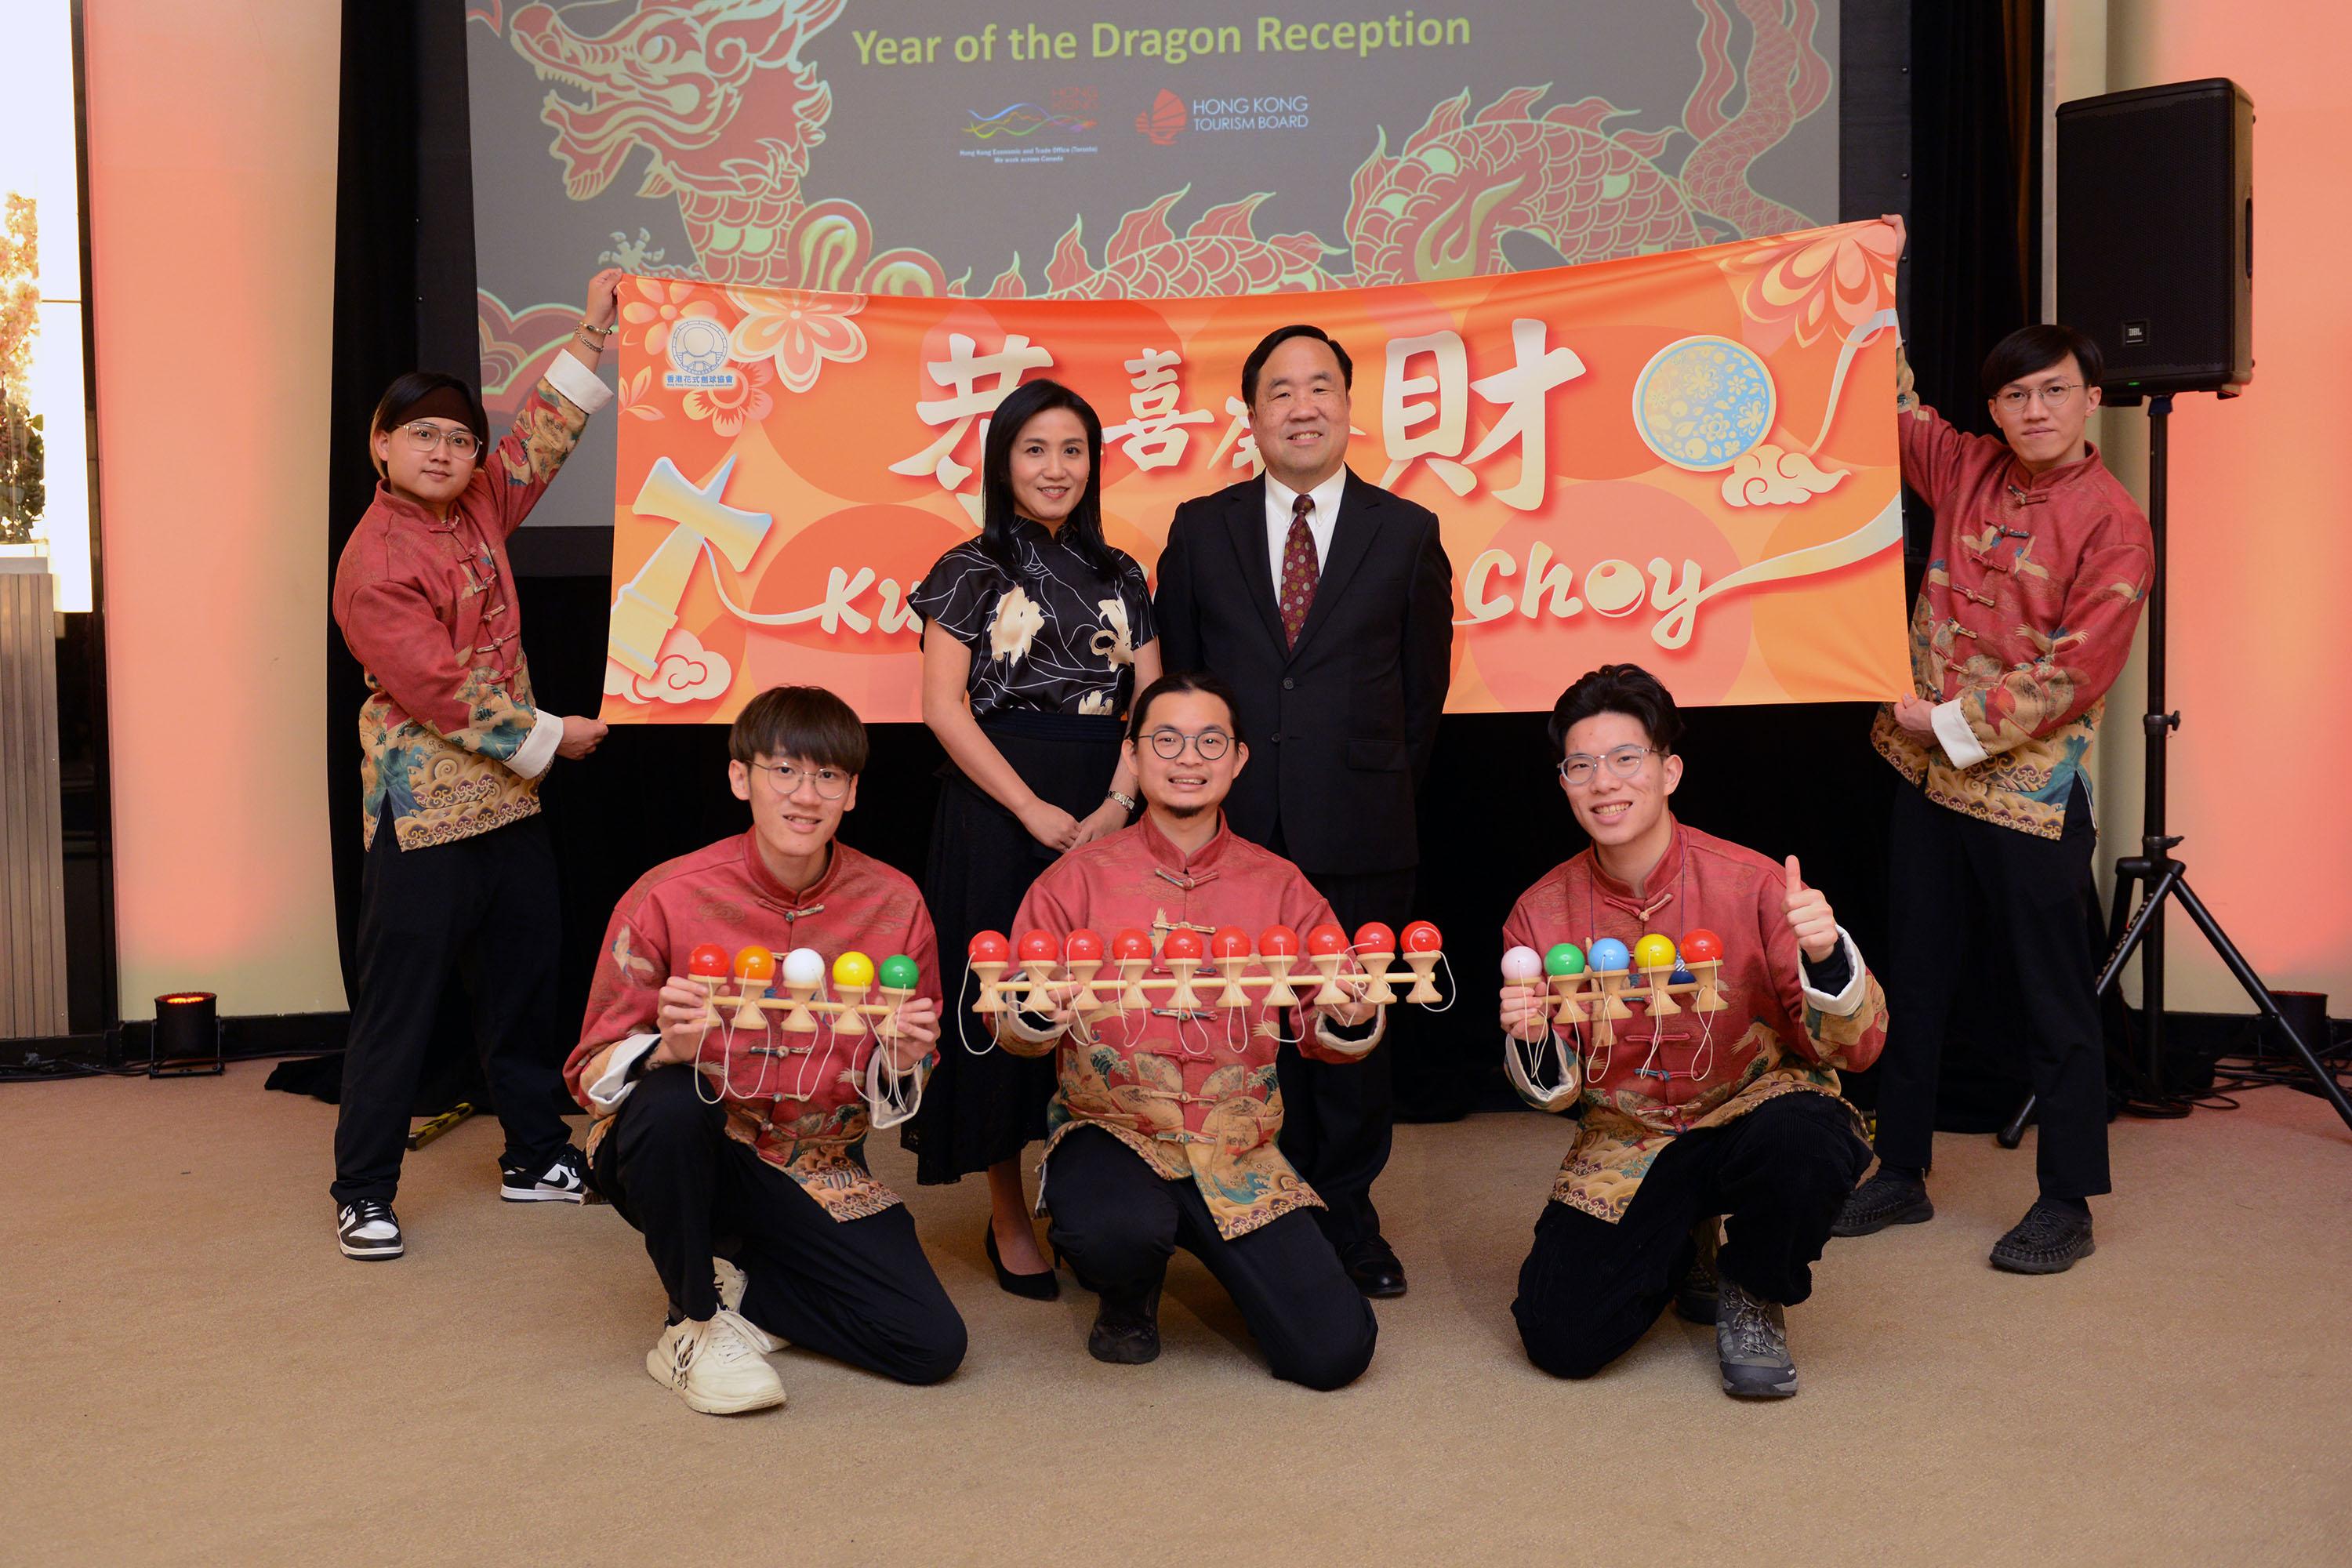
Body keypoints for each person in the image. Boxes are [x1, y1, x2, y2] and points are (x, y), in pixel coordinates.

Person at [1836, 301, 2152, 1276]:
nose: (2035, 408)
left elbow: (2075, 673)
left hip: (2030, 790)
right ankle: (1901, 1168)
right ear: (1997, 408)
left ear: (2091, 400)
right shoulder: (1965, 462)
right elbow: (1888, 408)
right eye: (2016, 394)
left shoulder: (2115, 524)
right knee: (1916, 977)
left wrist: (1953, 721)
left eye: (2055, 389)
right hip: (1926, 780)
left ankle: (2068, 1199)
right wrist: (1870, 285)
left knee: (2053, 1000)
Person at [1152, 324, 1453, 1300]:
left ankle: (1350, 1212)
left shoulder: (1406, 532)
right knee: (1237, 1025)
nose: (1302, 405)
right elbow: (1183, 686)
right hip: (1228, 829)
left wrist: (1371, 786)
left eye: (1320, 386)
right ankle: (1243, 1201)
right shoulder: (1202, 527)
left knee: (1350, 1028)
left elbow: (1421, 694)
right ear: (1251, 416)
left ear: (1349, 406)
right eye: (1279, 391)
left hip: (1358, 822)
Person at [326, 270, 620, 1261]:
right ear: (381, 445)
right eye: (423, 436)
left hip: (511, 805)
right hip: (424, 812)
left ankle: (535, 1155)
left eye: (458, 437)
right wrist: (554, 734)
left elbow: (544, 431)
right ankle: (362, 1188)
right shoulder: (375, 560)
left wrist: (591, 326)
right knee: (401, 1006)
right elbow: (441, 688)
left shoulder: (481, 506)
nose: (445, 451)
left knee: (526, 986)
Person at [565, 685, 964, 1415]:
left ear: (851, 792)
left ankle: (741, 1282)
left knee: (929, 1343)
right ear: (740, 777)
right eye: (784, 771)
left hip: (818, 1164)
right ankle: (692, 1324)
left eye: (827, 777)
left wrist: (904, 1063)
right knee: (672, 1102)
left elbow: (901, 1085)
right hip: (689, 1148)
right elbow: (588, 1072)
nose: (805, 795)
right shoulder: (668, 896)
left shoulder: (895, 903)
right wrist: (663, 1049)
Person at [1500, 665, 1886, 1398]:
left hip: (1755, 1116)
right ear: (1564, 782)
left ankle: (1753, 1286)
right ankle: (1686, 1242)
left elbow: (1859, 1050)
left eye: (1625, 758)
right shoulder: (1539, 915)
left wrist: (1826, 954)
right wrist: (1528, 1037)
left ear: (1669, 770)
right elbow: (1555, 1095)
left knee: (1812, 1134)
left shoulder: (1755, 883)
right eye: (1580, 765)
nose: (1603, 782)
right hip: (1632, 1138)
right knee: (1561, 1338)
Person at [994, 670, 1382, 1388]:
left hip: (1236, 1146)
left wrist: (1349, 1015)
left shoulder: (1281, 885)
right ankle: (1124, 1291)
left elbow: (1323, 1032)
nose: (1188, 758)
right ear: (1134, 757)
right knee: (1114, 1228)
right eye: (1166, 740)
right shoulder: (1075, 880)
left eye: (1210, 741)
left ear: (1238, 759)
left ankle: (1213, 1246)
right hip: (1113, 1132)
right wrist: (1041, 1009)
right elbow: (1017, 1035)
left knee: (1335, 1353)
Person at [904, 379, 1163, 1299]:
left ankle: (1094, 1177)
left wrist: (1117, 807)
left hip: (1104, 802)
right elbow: (941, 709)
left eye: (1073, 450)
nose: (1056, 468)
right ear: (1003, 463)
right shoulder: (968, 567)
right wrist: (1030, 810)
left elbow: (1152, 710)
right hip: (997, 808)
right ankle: (1008, 1210)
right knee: (1003, 1006)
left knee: (1100, 996)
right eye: (1035, 450)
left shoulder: (1125, 572)